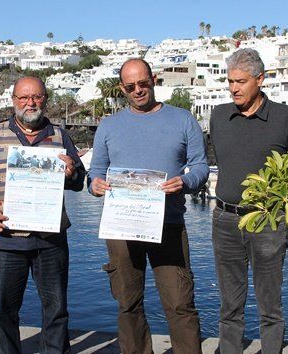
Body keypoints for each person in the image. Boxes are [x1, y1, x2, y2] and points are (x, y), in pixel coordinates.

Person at [89, 58, 208, 354]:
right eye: (130, 86)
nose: (138, 90)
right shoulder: (108, 125)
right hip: (122, 227)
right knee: (128, 303)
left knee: (180, 303)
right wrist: (95, 185)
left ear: (154, 79)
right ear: (122, 88)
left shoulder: (183, 119)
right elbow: (95, 172)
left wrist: (186, 181)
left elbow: (201, 167)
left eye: (143, 83)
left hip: (168, 223)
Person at [0, 76, 86, 354]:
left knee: (56, 310)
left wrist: (72, 172)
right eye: (23, 97)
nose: (30, 103)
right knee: (4, 311)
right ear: (14, 101)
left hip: (50, 240)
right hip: (7, 238)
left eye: (36, 97)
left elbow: (78, 180)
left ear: (45, 99)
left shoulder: (59, 134)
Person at [209, 48, 288, 354]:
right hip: (225, 219)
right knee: (230, 304)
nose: (233, 87)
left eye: (241, 81)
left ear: (260, 79)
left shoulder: (284, 117)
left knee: (270, 305)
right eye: (230, 81)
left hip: (268, 220)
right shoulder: (218, 116)